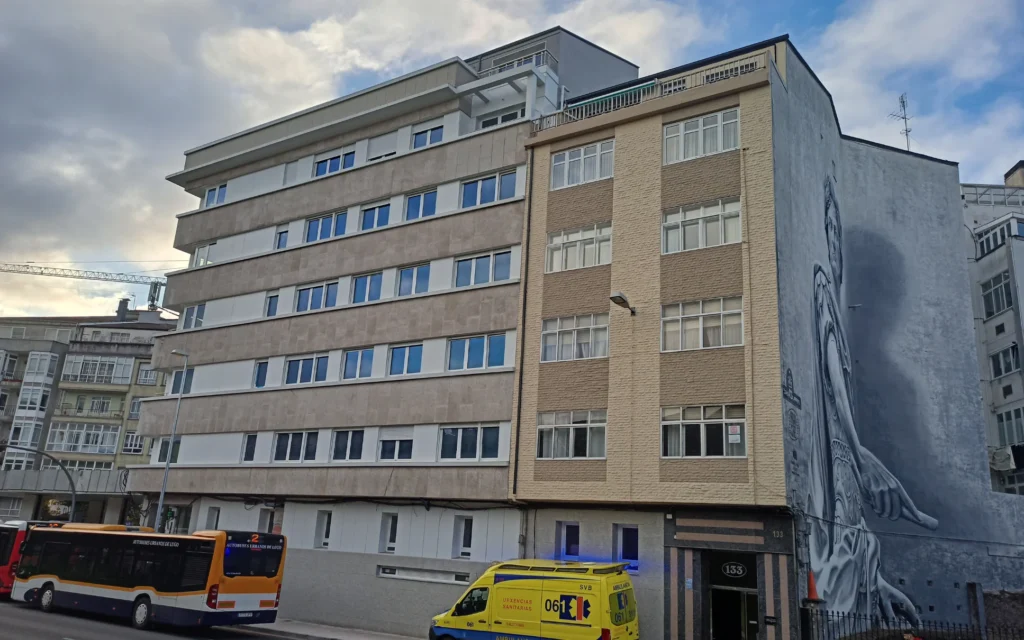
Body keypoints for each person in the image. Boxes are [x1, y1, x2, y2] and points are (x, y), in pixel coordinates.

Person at [807, 177, 938, 624]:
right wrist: (864, 461)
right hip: (830, 547)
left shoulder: (852, 336)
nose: (834, 243)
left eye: (836, 229)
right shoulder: (823, 292)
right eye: (828, 228)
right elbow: (835, 393)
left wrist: (874, 576)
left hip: (848, 551)